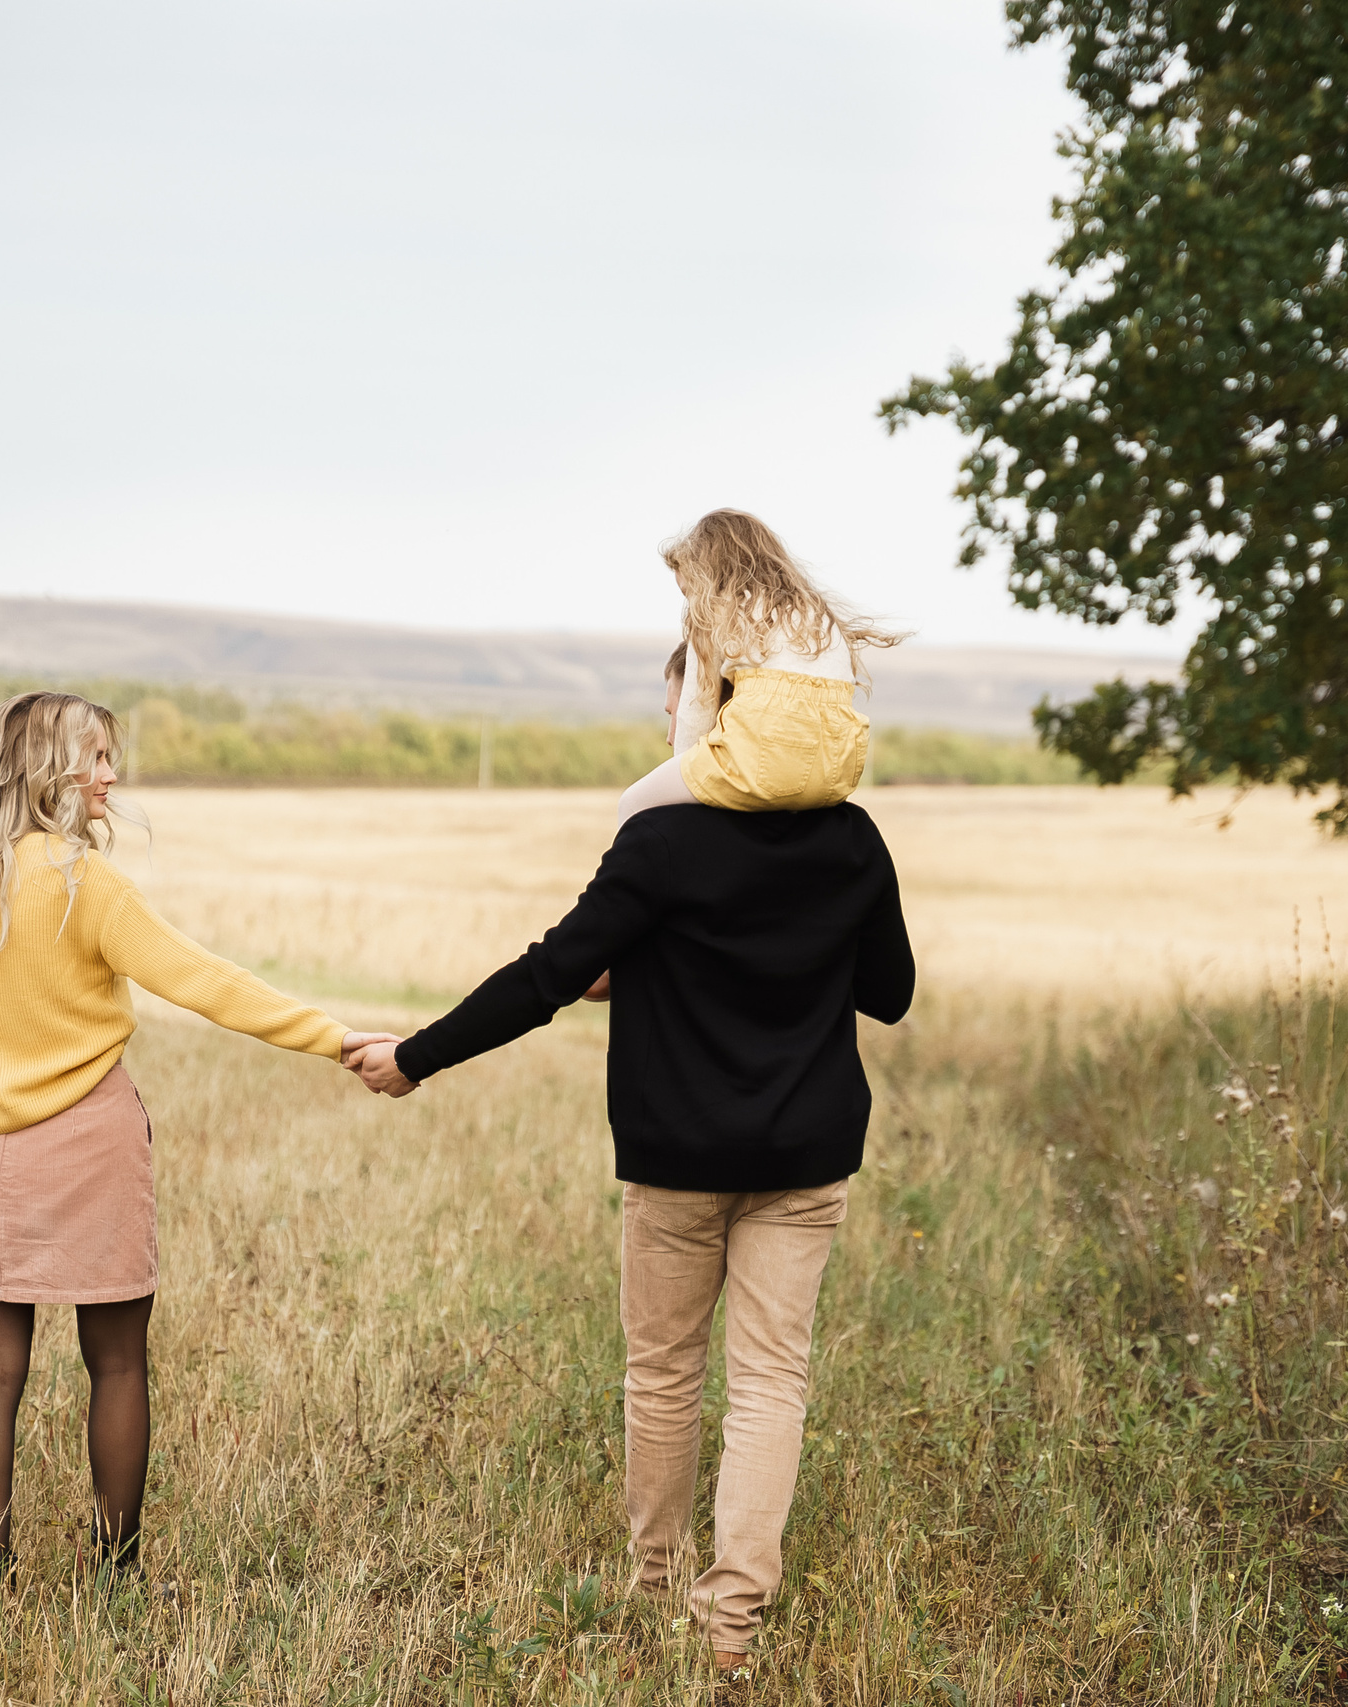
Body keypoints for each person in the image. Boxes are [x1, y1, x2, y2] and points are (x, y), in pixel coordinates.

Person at [347, 728, 916, 1675]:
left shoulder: (658, 838)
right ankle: (731, 1628)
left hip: (678, 1152)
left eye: (675, 707)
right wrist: (790, 951)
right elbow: (889, 993)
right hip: (807, 1152)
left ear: (717, 713)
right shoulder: (851, 837)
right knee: (772, 1379)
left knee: (663, 1374)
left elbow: (547, 976)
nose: (667, 731)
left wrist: (416, 1056)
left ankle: (654, 1591)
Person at [0, 691, 394, 1606]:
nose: (110, 777)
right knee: (118, 1364)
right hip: (90, 1140)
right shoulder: (89, 886)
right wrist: (332, 1036)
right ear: (53, 768)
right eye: (97, 759)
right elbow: (207, 982)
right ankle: (116, 1583)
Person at [613, 510, 900, 828]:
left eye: (687, 591)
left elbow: (698, 706)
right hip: (834, 773)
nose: (690, 602)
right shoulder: (819, 617)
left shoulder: (718, 610)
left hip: (759, 762)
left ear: (707, 575)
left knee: (634, 802)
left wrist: (684, 773)